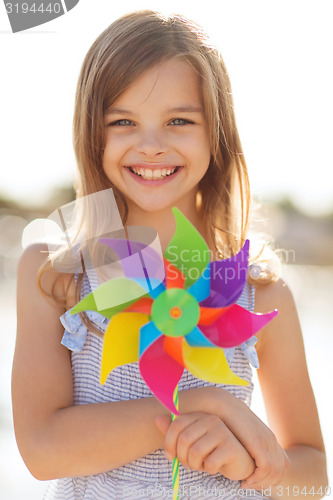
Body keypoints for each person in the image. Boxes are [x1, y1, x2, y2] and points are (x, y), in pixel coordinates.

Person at [12, 9, 328, 500]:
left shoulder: (260, 291)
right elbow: (42, 449)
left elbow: (313, 477)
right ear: (92, 134)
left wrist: (251, 464)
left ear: (216, 133)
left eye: (179, 120)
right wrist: (199, 404)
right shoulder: (57, 274)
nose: (151, 145)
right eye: (123, 121)